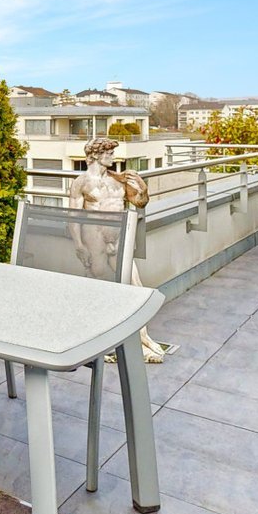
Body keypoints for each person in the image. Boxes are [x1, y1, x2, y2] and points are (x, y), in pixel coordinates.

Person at [68, 136, 171, 363]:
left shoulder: (119, 179)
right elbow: (73, 216)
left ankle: (141, 340)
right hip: (94, 239)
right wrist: (79, 245)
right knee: (101, 290)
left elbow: (140, 203)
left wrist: (143, 189)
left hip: (118, 237)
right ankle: (102, 344)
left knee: (135, 287)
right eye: (109, 153)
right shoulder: (81, 182)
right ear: (96, 155)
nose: (113, 157)